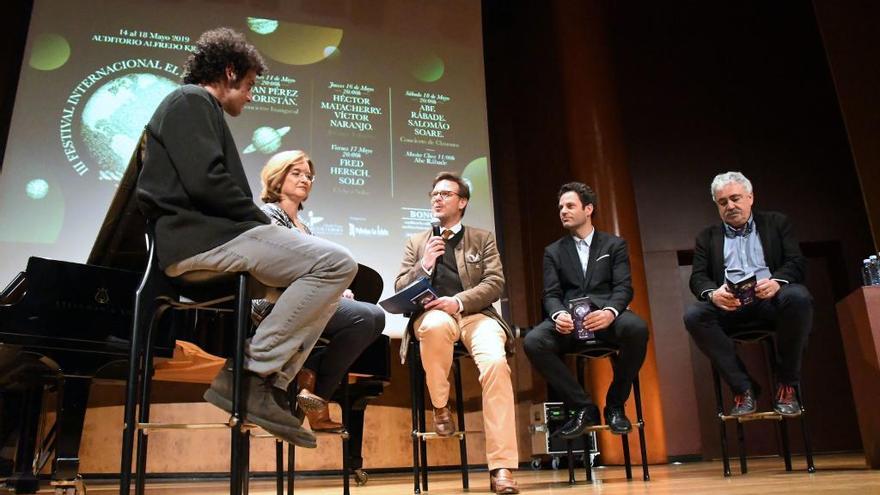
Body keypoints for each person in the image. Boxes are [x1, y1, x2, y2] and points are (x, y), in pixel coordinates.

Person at [136, 28, 357, 448]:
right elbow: (206, 181)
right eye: (250, 85)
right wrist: (263, 223)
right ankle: (249, 376)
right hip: (201, 241)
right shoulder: (190, 100)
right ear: (230, 71)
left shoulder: (198, 108)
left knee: (326, 289)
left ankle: (270, 387)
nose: (251, 96)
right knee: (337, 264)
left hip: (212, 240)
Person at [394, 172, 519, 494]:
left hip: (475, 315)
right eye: (434, 194)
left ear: (461, 202)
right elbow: (398, 287)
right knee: (434, 327)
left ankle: (502, 467)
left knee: (495, 364)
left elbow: (495, 283)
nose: (437, 198)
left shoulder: (482, 238)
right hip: (434, 316)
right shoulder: (417, 242)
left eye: (445, 194)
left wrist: (459, 301)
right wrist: (424, 264)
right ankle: (440, 405)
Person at [253, 150, 385, 432]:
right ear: (278, 176)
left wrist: (336, 289)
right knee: (365, 317)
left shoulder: (304, 226)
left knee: (374, 316)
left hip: (310, 301)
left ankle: (311, 382)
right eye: (296, 173)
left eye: (309, 176)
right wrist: (333, 291)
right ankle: (317, 394)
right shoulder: (268, 215)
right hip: (278, 305)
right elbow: (286, 268)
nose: (305, 179)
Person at [524, 182, 649, 438]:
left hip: (606, 318)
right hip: (571, 322)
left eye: (570, 206)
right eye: (560, 207)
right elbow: (550, 295)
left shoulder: (613, 245)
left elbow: (624, 288)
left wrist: (610, 312)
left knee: (636, 329)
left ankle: (615, 405)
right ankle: (583, 406)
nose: (563, 211)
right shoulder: (553, 251)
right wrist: (559, 315)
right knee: (534, 341)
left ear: (588, 209)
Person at [683, 171, 812, 417]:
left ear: (750, 198)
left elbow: (796, 262)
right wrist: (713, 294)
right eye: (723, 202)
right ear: (717, 206)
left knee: (798, 297)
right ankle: (743, 387)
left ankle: (787, 385)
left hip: (770, 302)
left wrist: (776, 282)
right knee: (694, 314)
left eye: (735, 198)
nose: (730, 206)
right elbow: (698, 278)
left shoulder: (776, 223)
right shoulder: (707, 237)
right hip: (730, 307)